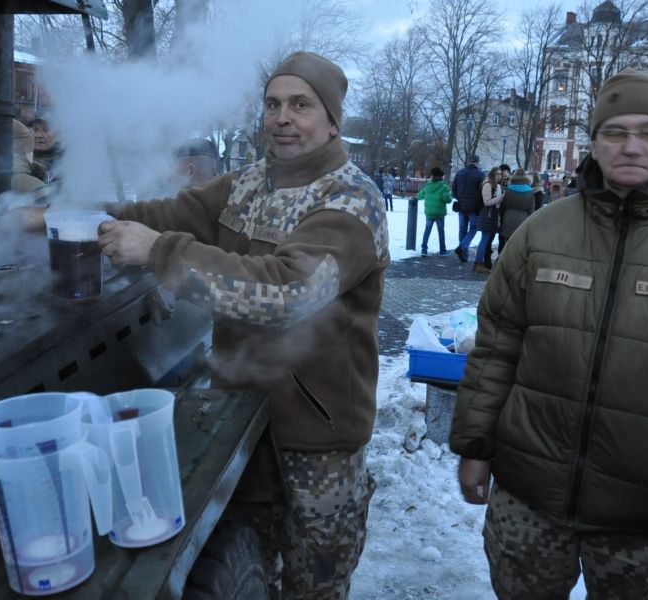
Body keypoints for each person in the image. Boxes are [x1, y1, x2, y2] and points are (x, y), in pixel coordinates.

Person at [450, 68, 648, 599]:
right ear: (594, 144)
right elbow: (497, 345)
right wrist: (476, 444)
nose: (631, 146)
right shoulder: (544, 230)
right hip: (528, 504)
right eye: (614, 131)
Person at [97, 51, 388, 598]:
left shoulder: (352, 201)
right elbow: (169, 213)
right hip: (240, 418)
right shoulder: (248, 184)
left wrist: (159, 252)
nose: (282, 117)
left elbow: (288, 293)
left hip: (316, 440)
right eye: (273, 104)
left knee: (313, 585)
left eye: (301, 104)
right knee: (249, 570)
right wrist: (80, 212)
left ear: (332, 120)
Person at [452, 154, 486, 263]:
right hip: (474, 207)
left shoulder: (460, 173)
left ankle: (464, 255)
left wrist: (460, 198)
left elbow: (454, 189)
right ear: (477, 162)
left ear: (468, 161)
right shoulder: (480, 175)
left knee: (462, 228)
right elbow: (482, 191)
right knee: (474, 227)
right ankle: (463, 246)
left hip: (461, 205)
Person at [416, 167, 453, 256]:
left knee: (427, 230)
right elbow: (447, 200)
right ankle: (442, 250)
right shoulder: (444, 187)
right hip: (439, 214)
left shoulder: (427, 186)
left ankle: (424, 250)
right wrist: (449, 195)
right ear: (440, 177)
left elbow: (419, 196)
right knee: (441, 231)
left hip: (429, 213)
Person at [472, 166, 502, 273]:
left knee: (487, 240)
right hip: (487, 214)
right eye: (497, 174)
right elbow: (487, 202)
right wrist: (501, 197)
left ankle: (480, 262)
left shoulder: (497, 186)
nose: (499, 176)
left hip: (493, 215)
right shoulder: (488, 185)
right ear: (492, 175)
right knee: (484, 240)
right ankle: (478, 264)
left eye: (500, 174)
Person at [498, 169, 535, 251]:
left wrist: (501, 217)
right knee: (518, 244)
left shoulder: (509, 189)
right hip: (523, 220)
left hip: (508, 218)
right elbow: (531, 209)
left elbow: (503, 206)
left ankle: (502, 260)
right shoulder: (530, 191)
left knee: (505, 243)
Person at [10, 118, 49, 193]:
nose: (39, 135)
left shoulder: (68, 164)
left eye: (45, 130)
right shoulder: (20, 167)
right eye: (35, 130)